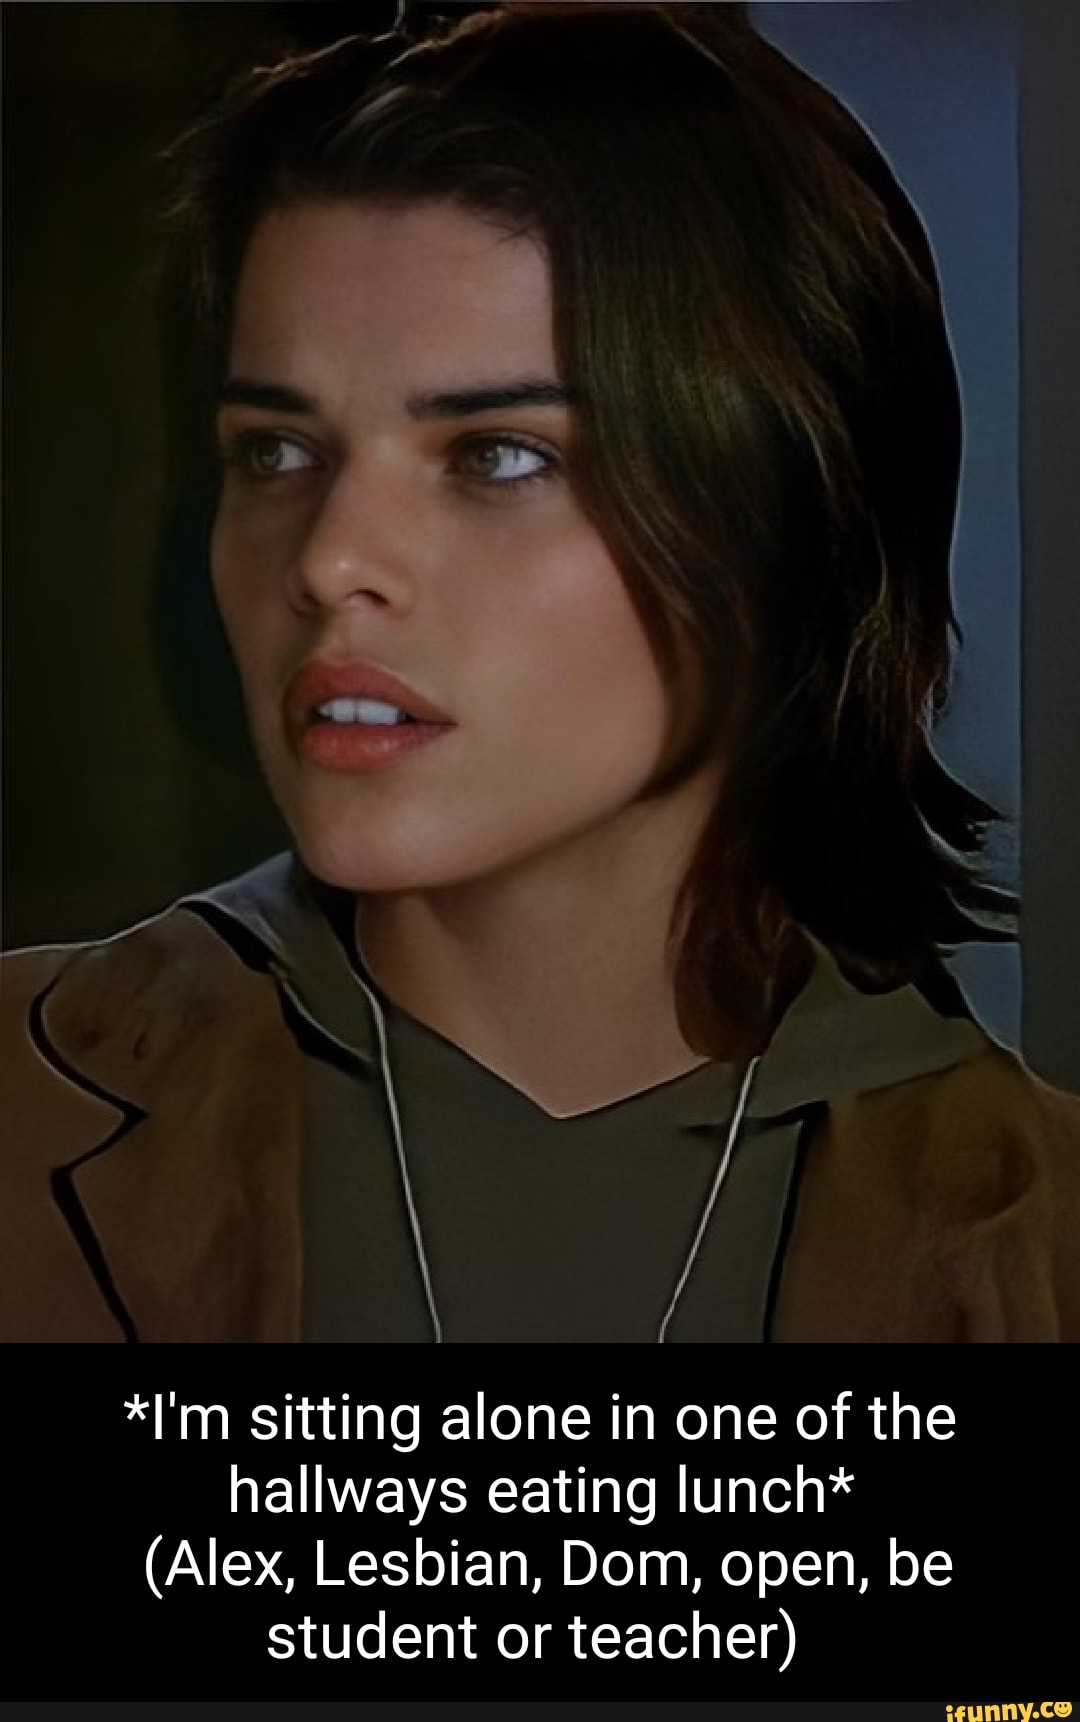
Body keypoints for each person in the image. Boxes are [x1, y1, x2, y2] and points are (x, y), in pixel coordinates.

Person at [2, 1, 1077, 1343]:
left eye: (497, 455)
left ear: (789, 526)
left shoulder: (1046, 1240)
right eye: (275, 451)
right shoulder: (24, 1108)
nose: (329, 560)